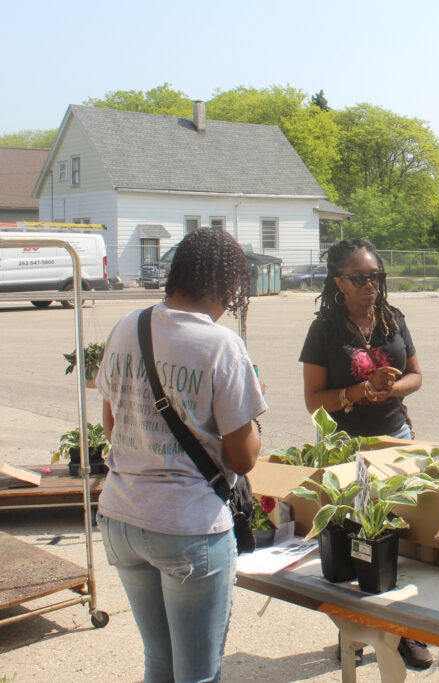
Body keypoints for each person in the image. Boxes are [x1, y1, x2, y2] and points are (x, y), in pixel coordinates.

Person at [95, 228, 267, 682]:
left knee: (159, 662)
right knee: (197, 674)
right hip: (187, 528)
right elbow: (243, 459)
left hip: (120, 517)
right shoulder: (222, 345)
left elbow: (112, 428)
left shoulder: (126, 326)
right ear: (228, 285)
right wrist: (251, 416)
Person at [298, 238, 432, 670]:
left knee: (402, 540)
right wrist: (359, 391)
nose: (370, 284)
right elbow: (314, 401)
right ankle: (353, 636)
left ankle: (404, 634)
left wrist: (391, 387)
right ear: (339, 282)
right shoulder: (324, 330)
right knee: (356, 545)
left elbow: (416, 375)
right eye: (359, 278)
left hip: (396, 437)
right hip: (347, 450)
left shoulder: (393, 319)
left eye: (376, 276)